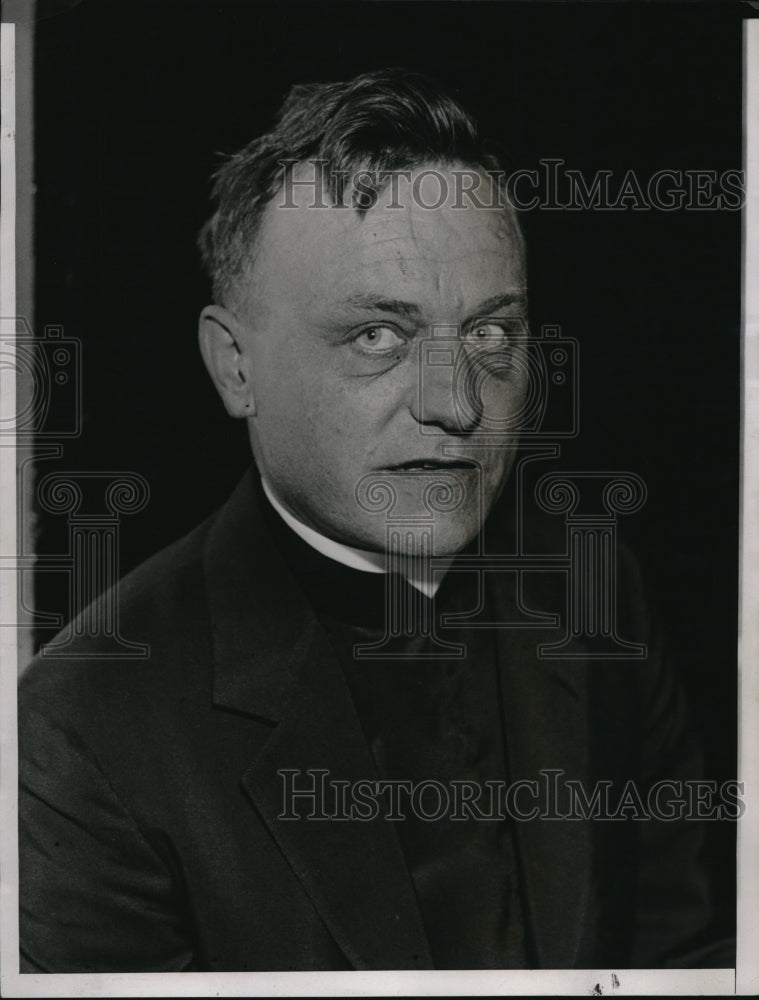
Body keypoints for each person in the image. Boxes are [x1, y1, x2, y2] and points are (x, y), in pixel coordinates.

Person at [18, 68, 726, 972]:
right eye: (377, 336)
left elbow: (689, 958)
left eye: (491, 333)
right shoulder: (84, 724)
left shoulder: (593, 589)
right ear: (234, 368)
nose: (457, 404)